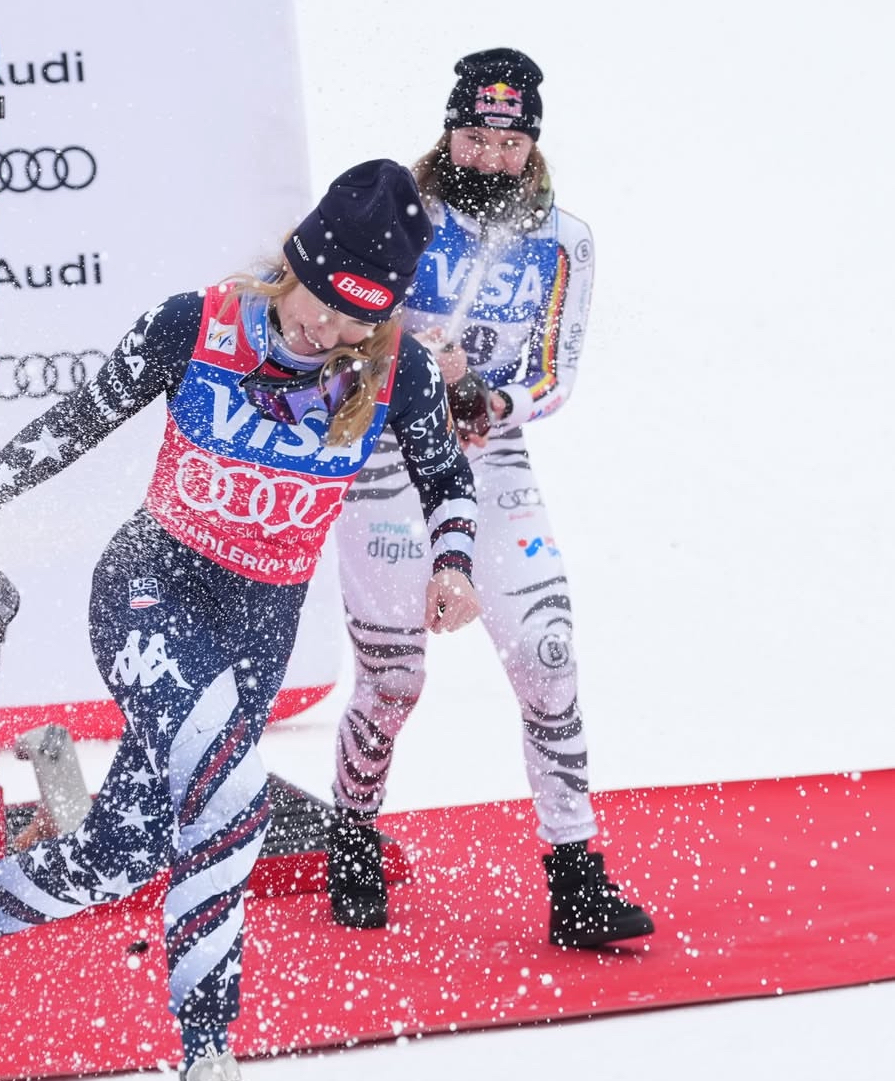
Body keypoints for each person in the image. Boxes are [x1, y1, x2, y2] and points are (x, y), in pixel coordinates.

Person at [0, 159, 482, 1081]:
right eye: (318, 300)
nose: (326, 329)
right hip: (152, 589)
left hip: (258, 627)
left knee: (123, 853)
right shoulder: (196, 324)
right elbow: (74, 422)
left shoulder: (399, 373)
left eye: (356, 317)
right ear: (294, 262)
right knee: (233, 801)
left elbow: (447, 477)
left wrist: (454, 560)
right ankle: (206, 1053)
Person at [325, 50, 655, 949]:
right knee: (394, 680)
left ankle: (575, 876)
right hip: (385, 455)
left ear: (532, 145)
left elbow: (556, 370)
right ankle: (351, 831)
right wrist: (408, 367)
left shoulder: (564, 240)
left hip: (489, 454)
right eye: (474, 136)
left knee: (548, 654)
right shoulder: (399, 211)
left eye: (509, 143)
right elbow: (329, 326)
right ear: (448, 132)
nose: (491, 157)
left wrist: (491, 400)